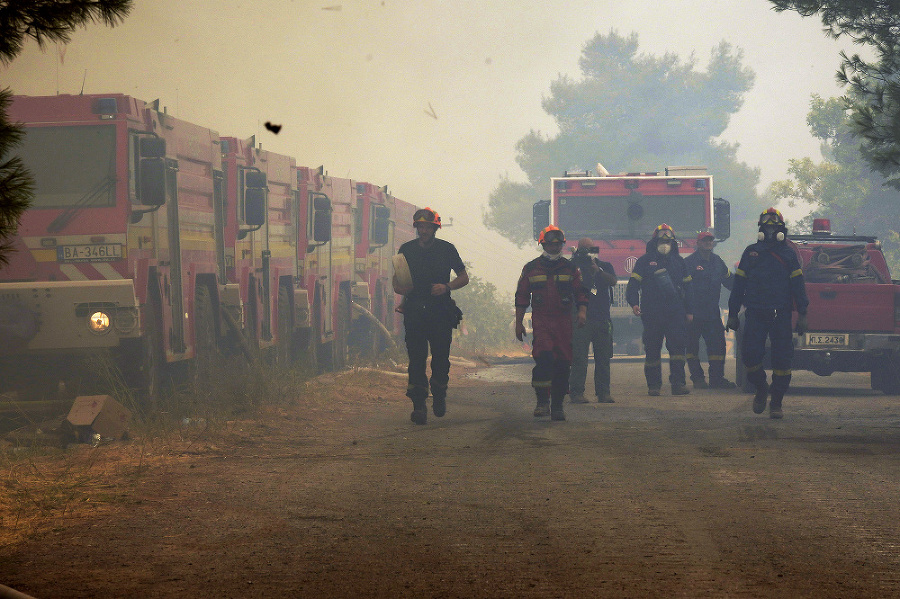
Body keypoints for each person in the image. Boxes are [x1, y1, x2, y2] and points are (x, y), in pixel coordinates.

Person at [726, 208, 809, 419]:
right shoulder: (750, 253)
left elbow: (799, 286)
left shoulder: (789, 255)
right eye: (766, 226)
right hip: (755, 313)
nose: (770, 230)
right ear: (761, 229)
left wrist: (803, 314)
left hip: (780, 315)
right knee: (750, 356)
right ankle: (762, 388)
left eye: (775, 226)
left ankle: (777, 402)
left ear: (782, 230)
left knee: (783, 361)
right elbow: (738, 285)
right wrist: (733, 313)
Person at [393, 207, 469, 425]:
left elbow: (463, 277)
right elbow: (396, 281)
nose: (424, 230)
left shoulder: (447, 249)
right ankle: (418, 406)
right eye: (420, 227)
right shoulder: (405, 249)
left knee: (440, 359)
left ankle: (439, 394)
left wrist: (447, 286)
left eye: (428, 227)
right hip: (415, 311)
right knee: (416, 359)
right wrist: (400, 288)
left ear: (435, 228)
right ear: (416, 227)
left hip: (440, 312)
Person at [515, 225, 588, 421]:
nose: (554, 248)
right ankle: (542, 402)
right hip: (542, 321)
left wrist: (582, 312)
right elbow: (521, 296)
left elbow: (581, 292)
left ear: (562, 245)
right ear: (543, 245)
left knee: (563, 363)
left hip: (564, 321)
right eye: (550, 245)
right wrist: (518, 322)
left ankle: (557, 406)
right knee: (544, 358)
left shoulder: (571, 269)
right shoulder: (531, 268)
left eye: (558, 245)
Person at [625, 224, 694, 396]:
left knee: (678, 349)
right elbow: (633, 285)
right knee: (653, 349)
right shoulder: (644, 261)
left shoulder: (680, 262)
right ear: (654, 242)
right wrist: (633, 303)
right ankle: (654, 386)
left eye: (668, 241)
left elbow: (688, 288)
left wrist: (690, 310)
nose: (665, 244)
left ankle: (678, 384)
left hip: (675, 313)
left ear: (673, 243)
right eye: (661, 240)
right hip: (652, 312)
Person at [684, 231, 736, 389]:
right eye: (705, 241)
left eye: (710, 241)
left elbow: (729, 281)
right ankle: (698, 379)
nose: (708, 243)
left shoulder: (718, 261)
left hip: (712, 313)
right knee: (692, 347)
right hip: (693, 313)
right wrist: (687, 311)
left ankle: (716, 379)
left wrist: (745, 288)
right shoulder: (689, 263)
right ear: (698, 243)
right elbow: (684, 289)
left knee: (718, 346)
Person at [568, 238, 618, 404]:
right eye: (583, 249)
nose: (587, 253)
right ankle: (576, 393)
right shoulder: (572, 267)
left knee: (603, 358)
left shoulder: (604, 266)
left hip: (602, 317)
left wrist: (598, 271)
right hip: (581, 318)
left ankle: (604, 393)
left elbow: (613, 281)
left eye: (590, 249)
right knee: (579, 358)